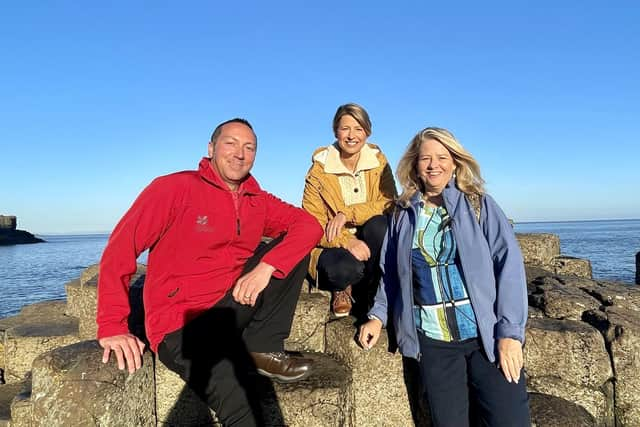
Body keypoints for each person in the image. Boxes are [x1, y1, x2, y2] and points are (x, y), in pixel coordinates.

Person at [97, 118, 324, 426]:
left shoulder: (257, 199)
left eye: (249, 147)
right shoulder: (174, 188)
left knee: (292, 247)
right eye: (231, 143)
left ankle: (263, 349)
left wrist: (265, 268)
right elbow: (120, 248)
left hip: (231, 306)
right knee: (242, 401)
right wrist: (113, 326)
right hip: (182, 325)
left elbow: (309, 225)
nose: (240, 154)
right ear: (211, 148)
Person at [359, 127, 530, 426]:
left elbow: (510, 269)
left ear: (454, 161)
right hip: (433, 342)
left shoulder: (479, 205)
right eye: (425, 158)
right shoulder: (402, 213)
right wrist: (378, 315)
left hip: (485, 338)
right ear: (415, 164)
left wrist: (510, 334)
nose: (433, 164)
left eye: (441, 157)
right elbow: (392, 275)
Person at [302, 103, 396, 318]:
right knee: (344, 268)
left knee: (380, 226)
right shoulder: (319, 170)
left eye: (358, 128)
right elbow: (312, 222)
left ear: (367, 132)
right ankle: (342, 288)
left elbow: (389, 202)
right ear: (336, 131)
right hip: (333, 242)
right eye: (345, 128)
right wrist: (347, 241)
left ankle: (374, 290)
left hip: (369, 240)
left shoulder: (378, 162)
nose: (351, 135)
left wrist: (347, 213)